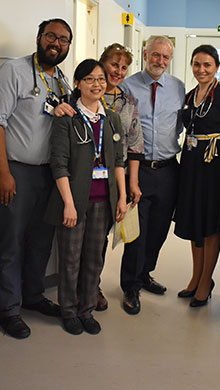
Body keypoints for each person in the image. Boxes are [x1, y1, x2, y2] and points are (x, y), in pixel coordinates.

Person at [0, 18, 73, 338]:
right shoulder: (15, 71)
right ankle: (8, 308)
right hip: (17, 171)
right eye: (51, 36)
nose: (56, 43)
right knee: (10, 242)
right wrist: (4, 172)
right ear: (39, 37)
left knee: (40, 242)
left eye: (64, 39)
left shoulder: (62, 80)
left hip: (50, 175)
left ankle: (33, 296)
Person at [44, 59, 128, 335]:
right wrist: (68, 203)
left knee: (94, 257)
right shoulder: (66, 118)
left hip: (103, 201)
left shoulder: (112, 119)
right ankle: (68, 310)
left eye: (101, 79)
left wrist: (121, 197)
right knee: (69, 258)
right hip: (74, 201)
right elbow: (59, 164)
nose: (97, 85)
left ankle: (87, 309)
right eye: (90, 79)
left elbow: (118, 162)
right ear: (78, 83)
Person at [118, 35, 185, 314]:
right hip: (139, 169)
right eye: (155, 55)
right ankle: (131, 286)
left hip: (169, 169)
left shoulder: (179, 88)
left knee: (159, 229)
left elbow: (180, 125)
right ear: (145, 54)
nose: (160, 61)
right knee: (137, 233)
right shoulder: (127, 86)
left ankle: (146, 273)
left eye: (165, 57)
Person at [174, 44, 220, 307]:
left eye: (207, 65)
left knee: (210, 224)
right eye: (196, 64)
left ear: (216, 67)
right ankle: (196, 276)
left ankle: (206, 281)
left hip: (215, 167)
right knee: (193, 222)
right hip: (191, 164)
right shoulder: (190, 96)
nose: (201, 69)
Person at [95, 43, 145, 311]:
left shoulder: (128, 102)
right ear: (102, 63)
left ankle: (132, 288)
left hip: (122, 176)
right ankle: (92, 286)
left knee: (132, 235)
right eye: (114, 64)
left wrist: (133, 182)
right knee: (96, 235)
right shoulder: (87, 95)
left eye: (124, 67)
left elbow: (136, 144)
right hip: (92, 177)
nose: (118, 71)